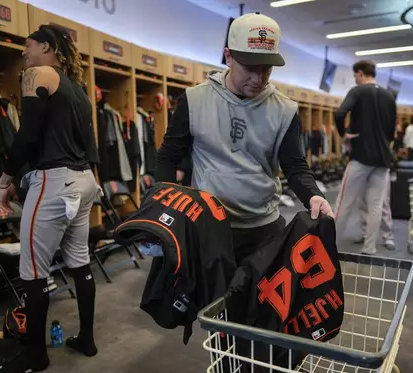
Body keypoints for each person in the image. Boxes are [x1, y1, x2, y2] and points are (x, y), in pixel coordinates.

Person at [155, 13, 333, 263]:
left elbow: (295, 167)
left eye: (266, 69)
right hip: (207, 227)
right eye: (250, 68)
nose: (258, 78)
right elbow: (168, 156)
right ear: (228, 57)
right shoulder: (194, 100)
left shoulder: (285, 110)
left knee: (256, 303)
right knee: (210, 302)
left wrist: (314, 195)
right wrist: (165, 208)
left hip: (263, 229)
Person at [0, 25, 100, 373]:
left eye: (28, 46)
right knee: (79, 262)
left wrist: (7, 177)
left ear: (47, 46)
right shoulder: (78, 90)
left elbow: (28, 134)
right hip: (84, 180)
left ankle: (34, 354)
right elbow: (89, 143)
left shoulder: (37, 74)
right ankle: (86, 338)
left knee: (33, 271)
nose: (24, 53)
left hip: (54, 181)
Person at [333, 60, 396, 255]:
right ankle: (369, 248)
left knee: (344, 203)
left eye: (355, 76)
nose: (355, 79)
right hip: (382, 159)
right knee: (375, 206)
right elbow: (392, 131)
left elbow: (340, 113)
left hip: (361, 157)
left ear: (360, 74)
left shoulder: (358, 91)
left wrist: (344, 134)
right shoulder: (389, 96)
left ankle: (328, 245)